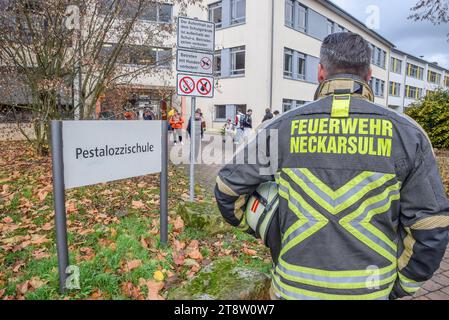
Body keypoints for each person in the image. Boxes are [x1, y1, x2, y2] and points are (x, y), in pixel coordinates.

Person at [214, 32, 449, 300]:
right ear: (369, 75)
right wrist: (403, 285)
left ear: (320, 72)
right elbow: (431, 226)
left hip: (293, 288)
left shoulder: (280, 128)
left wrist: (265, 229)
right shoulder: (408, 134)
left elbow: (227, 189)